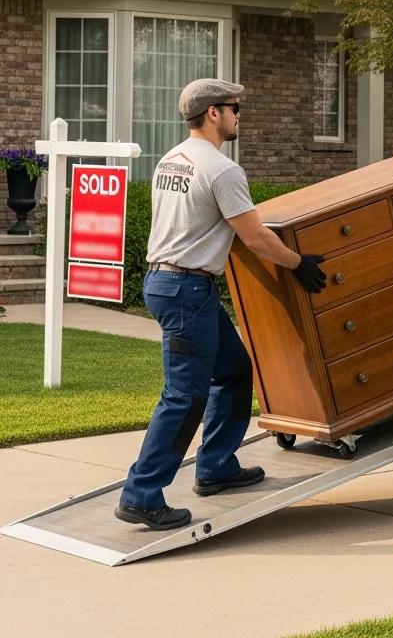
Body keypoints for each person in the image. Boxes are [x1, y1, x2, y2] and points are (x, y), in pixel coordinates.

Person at [116, 79, 328, 531]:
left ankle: (215, 467)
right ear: (213, 113)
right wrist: (297, 264)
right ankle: (141, 494)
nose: (238, 117)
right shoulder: (222, 169)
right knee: (183, 396)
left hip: (168, 282)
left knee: (232, 369)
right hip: (186, 289)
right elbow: (254, 237)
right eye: (235, 109)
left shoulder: (171, 160)